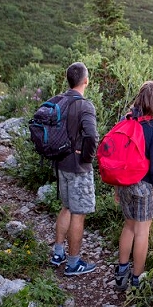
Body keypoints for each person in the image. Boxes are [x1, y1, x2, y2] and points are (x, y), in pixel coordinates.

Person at [114, 80, 153, 290]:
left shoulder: (126, 120)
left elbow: (119, 156)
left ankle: (121, 274)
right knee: (142, 232)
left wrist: (116, 188)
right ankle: (137, 279)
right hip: (145, 187)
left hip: (124, 184)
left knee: (128, 227)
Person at [50, 62, 99, 276]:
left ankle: (58, 253)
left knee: (66, 208)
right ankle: (73, 263)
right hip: (78, 168)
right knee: (78, 214)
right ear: (86, 81)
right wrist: (87, 158)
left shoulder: (58, 101)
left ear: (68, 79)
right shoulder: (85, 106)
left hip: (60, 164)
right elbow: (91, 135)